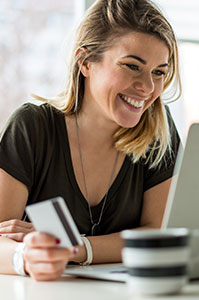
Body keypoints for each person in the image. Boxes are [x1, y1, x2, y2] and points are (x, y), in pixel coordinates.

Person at [0, 0, 181, 281]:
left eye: (159, 72)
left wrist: (74, 247)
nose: (147, 87)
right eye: (132, 66)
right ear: (85, 61)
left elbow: (158, 233)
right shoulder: (32, 127)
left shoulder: (159, 131)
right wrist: (26, 256)